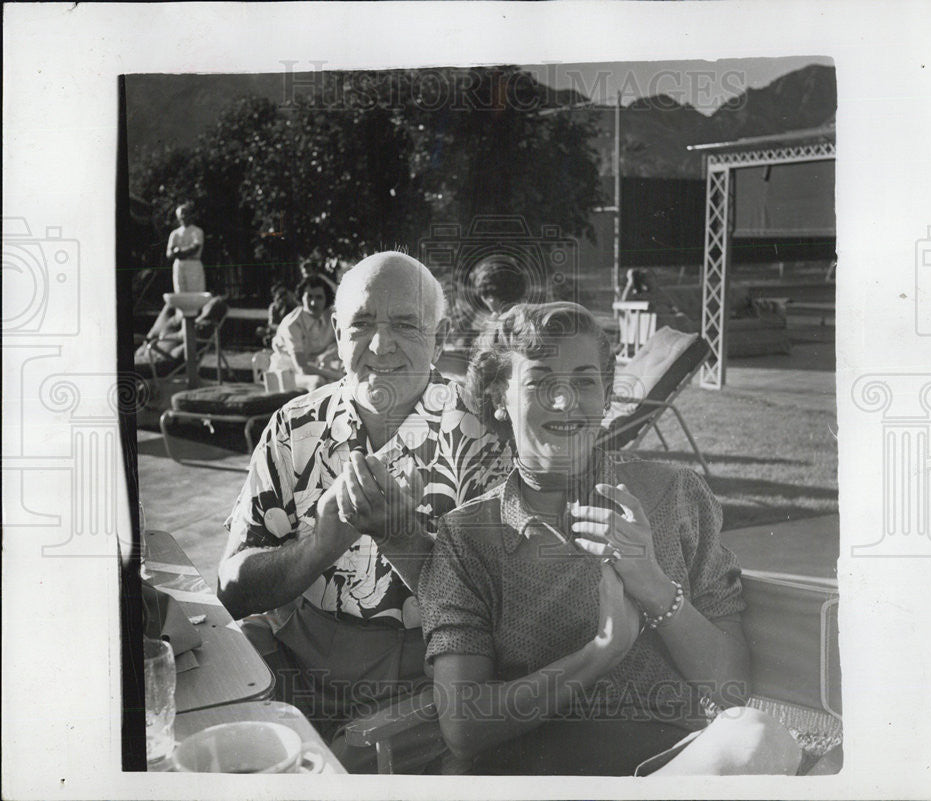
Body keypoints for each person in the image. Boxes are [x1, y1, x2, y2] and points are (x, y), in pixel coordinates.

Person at [418, 302, 803, 775]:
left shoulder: (675, 495)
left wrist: (652, 582)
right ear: (501, 396)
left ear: (605, 394)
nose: (565, 403)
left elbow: (730, 690)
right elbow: (462, 727)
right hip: (534, 779)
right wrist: (602, 651)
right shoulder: (467, 536)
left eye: (584, 381)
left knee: (756, 737)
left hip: (668, 771)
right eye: (540, 382)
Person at [217, 251, 512, 765]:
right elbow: (232, 590)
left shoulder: (483, 443)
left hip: (414, 684)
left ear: (439, 339)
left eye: (405, 325)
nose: (381, 345)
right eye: (362, 325)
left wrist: (402, 540)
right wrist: (319, 547)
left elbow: (504, 624)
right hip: (290, 660)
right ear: (336, 333)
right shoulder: (293, 426)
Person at [269, 275, 342, 386]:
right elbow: (302, 368)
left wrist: (330, 355)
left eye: (319, 297)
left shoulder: (331, 317)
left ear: (326, 299)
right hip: (284, 374)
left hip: (312, 369)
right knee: (318, 382)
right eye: (309, 297)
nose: (313, 303)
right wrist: (337, 376)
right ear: (301, 297)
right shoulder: (292, 324)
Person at [165, 202, 206, 293]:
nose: (183, 217)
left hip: (193, 264)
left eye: (185, 214)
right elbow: (169, 253)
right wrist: (177, 253)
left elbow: (194, 249)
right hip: (179, 264)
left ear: (190, 215)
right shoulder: (174, 234)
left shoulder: (197, 231)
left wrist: (178, 252)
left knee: (195, 292)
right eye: (180, 215)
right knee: (180, 291)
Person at [256, 282, 299, 347]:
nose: (284, 297)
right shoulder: (274, 307)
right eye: (280, 295)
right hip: (279, 331)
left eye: (285, 293)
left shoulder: (296, 307)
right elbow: (272, 324)